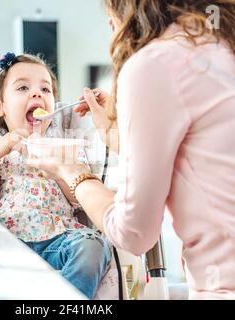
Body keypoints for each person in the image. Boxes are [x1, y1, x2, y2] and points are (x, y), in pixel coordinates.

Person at [28, 1, 235, 299]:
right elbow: (198, 155)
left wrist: (71, 170)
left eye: (110, 9)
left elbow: (133, 234)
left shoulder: (154, 65)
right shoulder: (220, 45)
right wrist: (120, 131)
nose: (110, 25)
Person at [0, 52, 111, 299]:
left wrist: (60, 168)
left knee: (94, 246)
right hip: (6, 241)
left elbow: (81, 199)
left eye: (46, 89)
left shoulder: (67, 148)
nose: (37, 93)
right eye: (23, 87)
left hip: (59, 239)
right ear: (0, 107)